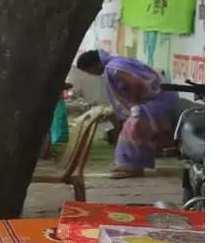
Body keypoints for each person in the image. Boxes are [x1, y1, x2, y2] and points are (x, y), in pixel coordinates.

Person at [76, 49, 180, 179]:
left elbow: (136, 83)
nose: (90, 74)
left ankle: (132, 167)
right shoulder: (117, 63)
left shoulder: (113, 67)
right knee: (131, 128)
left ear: (94, 66)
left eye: (88, 71)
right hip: (159, 98)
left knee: (131, 130)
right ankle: (132, 165)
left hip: (158, 100)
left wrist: (135, 104)